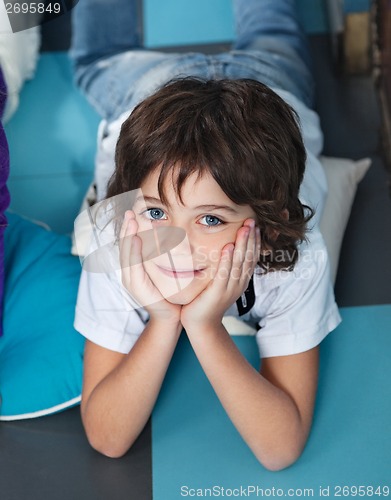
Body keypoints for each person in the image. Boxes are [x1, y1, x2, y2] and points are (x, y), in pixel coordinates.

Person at [70, 0, 341, 471]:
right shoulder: (119, 241)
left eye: (211, 219)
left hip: (265, 95)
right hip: (164, 92)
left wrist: (203, 325)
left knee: (99, 60)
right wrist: (161, 321)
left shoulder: (297, 258)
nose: (173, 241)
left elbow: (280, 449)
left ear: (270, 220)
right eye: (156, 210)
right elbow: (106, 437)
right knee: (268, 22)